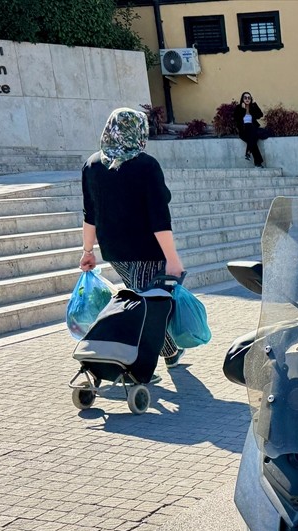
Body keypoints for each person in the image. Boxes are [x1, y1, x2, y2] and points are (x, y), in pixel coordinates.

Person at [80, 107, 186, 366]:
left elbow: (89, 213)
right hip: (147, 251)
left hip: (115, 251)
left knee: (143, 299)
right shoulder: (146, 165)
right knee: (147, 305)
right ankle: (149, 358)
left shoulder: (92, 165)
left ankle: (167, 351)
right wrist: (172, 259)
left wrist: (87, 251)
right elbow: (159, 218)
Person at [237, 91, 265, 167]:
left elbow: (260, 115)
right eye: (245, 97)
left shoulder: (252, 107)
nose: (247, 99)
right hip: (243, 130)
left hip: (252, 128)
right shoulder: (238, 108)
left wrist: (255, 104)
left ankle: (253, 159)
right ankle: (257, 161)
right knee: (253, 138)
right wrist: (243, 109)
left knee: (252, 137)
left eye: (249, 98)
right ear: (242, 99)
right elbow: (237, 118)